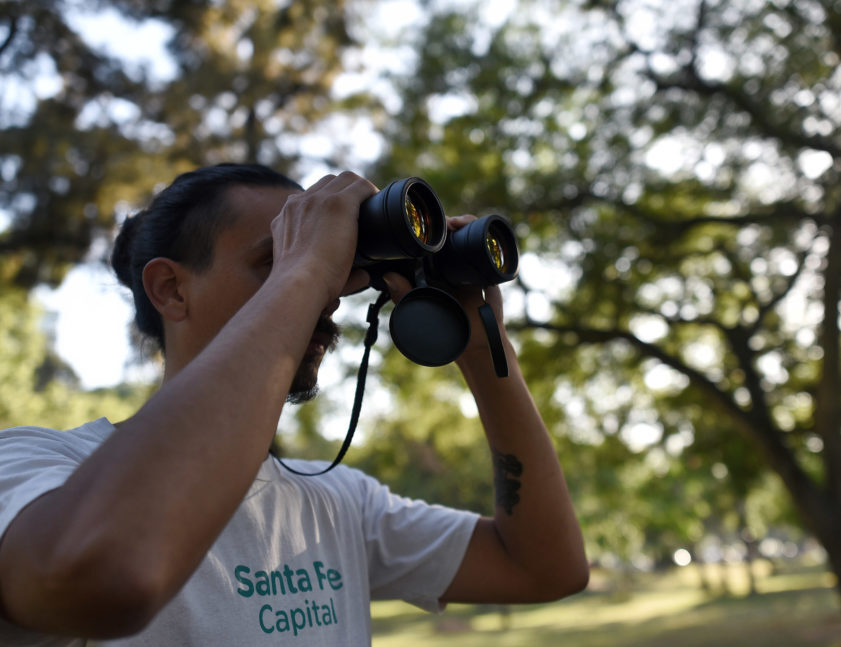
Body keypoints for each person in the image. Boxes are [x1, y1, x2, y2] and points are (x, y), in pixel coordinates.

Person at [0, 164, 588, 645]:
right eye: (273, 259)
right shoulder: (36, 469)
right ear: (171, 289)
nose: (330, 292)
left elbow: (546, 566)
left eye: (333, 264)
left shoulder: (338, 501)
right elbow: (102, 572)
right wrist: (304, 268)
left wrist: (487, 356)